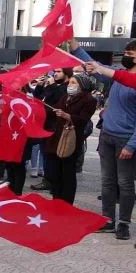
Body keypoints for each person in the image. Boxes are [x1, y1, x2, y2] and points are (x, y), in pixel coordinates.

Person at [74, 39, 136, 240]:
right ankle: (107, 219)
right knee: (108, 181)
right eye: (126, 52)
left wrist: (131, 144)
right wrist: (74, 45)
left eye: (131, 54)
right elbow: (96, 66)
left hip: (126, 140)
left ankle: (124, 223)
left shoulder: (125, 78)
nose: (127, 56)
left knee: (125, 183)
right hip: (107, 136)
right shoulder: (117, 75)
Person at [44, 73, 97, 204]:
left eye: (74, 83)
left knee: (67, 173)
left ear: (82, 85)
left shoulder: (89, 100)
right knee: (54, 172)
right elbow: (54, 109)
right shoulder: (65, 97)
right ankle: (56, 199)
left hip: (71, 138)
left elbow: (83, 120)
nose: (70, 85)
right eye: (70, 82)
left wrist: (67, 116)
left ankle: (66, 203)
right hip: (57, 137)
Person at [31, 68, 70, 191]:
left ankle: (55, 181)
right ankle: (47, 180)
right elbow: (39, 98)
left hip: (58, 126)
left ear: (67, 74)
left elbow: (60, 99)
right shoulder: (53, 86)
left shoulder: (67, 87)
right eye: (55, 72)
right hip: (46, 125)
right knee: (46, 154)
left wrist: (52, 85)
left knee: (55, 156)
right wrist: (40, 86)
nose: (55, 74)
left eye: (59, 72)